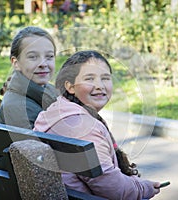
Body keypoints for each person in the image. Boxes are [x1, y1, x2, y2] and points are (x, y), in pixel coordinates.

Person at [34, 50, 161, 200]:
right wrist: (144, 187)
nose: (99, 85)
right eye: (89, 79)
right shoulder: (82, 127)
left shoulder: (55, 112)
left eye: (105, 78)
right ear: (70, 87)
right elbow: (115, 189)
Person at [0, 26, 59, 170]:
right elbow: (40, 164)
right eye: (33, 57)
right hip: (25, 187)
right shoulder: (18, 108)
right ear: (16, 63)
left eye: (49, 56)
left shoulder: (48, 90)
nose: (43, 63)